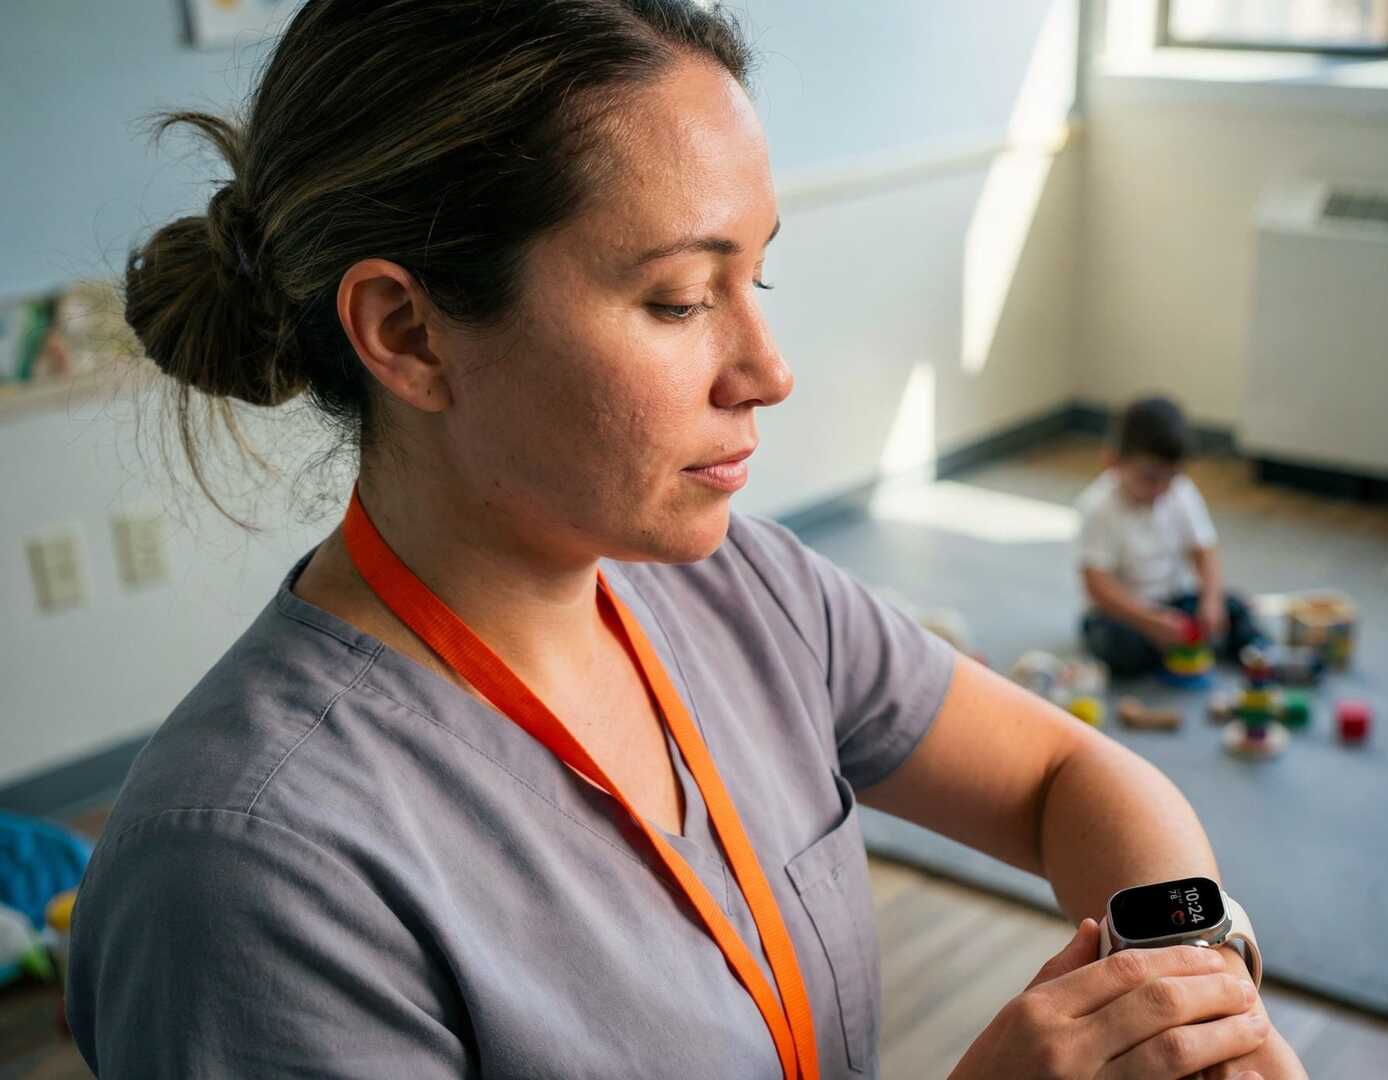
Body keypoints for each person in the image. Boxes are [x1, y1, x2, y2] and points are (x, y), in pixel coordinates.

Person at [67, 3, 1303, 1077]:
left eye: (753, 279)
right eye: (676, 299)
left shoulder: (746, 595)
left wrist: (1183, 986)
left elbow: (1065, 778)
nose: (767, 371)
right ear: (408, 334)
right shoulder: (248, 880)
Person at [1076, 396, 1266, 678]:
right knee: (1119, 646)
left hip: (1173, 601)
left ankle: (1253, 653)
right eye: (1150, 477)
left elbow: (1205, 550)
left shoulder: (1180, 491)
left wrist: (1210, 601)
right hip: (1123, 613)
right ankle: (1173, 649)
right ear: (1113, 462)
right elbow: (1097, 585)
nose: (1161, 488)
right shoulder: (1099, 507)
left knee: (1234, 608)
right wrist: (1149, 622)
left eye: (1171, 476)